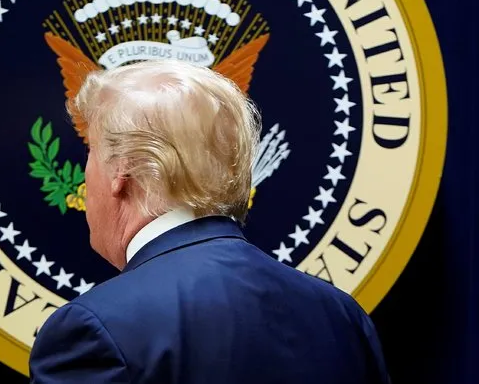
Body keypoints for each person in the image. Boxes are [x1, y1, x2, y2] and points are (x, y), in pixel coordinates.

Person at [29, 60, 390, 384]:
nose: (83, 177)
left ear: (122, 168)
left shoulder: (94, 331)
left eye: (90, 151)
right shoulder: (341, 316)